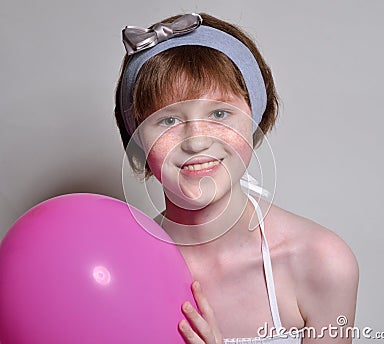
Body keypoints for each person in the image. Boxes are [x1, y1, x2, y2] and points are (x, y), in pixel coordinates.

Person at [114, 12, 359, 344]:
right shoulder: (121, 269)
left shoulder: (321, 262)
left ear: (254, 121)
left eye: (219, 114)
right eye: (168, 120)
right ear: (138, 140)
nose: (196, 141)